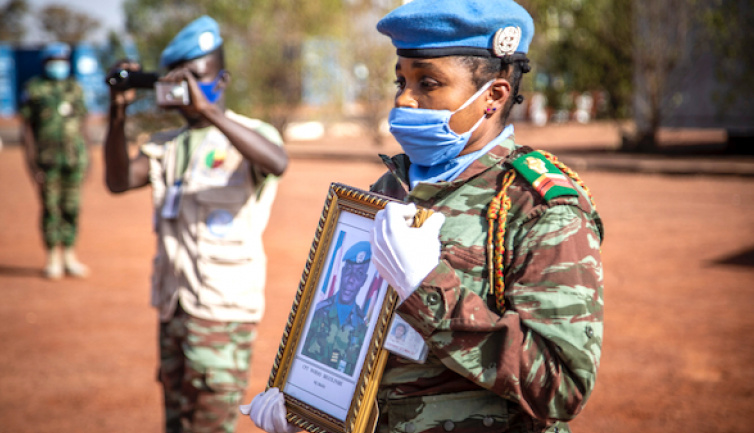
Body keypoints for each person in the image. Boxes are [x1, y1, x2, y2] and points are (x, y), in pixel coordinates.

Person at [242, 1, 604, 433]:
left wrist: (427, 288)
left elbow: (562, 386)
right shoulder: (390, 188)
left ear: (493, 95)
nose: (404, 99)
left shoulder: (539, 206)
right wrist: (311, 405)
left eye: (427, 83)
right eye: (401, 80)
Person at [103, 15, 288, 433]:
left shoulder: (251, 135)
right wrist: (118, 114)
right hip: (174, 310)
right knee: (177, 423)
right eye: (176, 79)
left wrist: (211, 111)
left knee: (210, 424)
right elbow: (116, 181)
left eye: (196, 77)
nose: (185, 90)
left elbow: (277, 162)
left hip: (223, 314)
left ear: (220, 80)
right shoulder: (165, 146)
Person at [20, 42, 91, 280]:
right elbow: (27, 131)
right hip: (47, 161)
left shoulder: (75, 88)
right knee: (50, 209)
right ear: (44, 63)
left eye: (61, 61)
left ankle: (69, 255)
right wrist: (32, 165)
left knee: (72, 208)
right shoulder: (35, 89)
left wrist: (88, 158)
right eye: (53, 61)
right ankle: (52, 257)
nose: (58, 65)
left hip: (74, 160)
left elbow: (84, 125)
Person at [302, 241, 371, 376]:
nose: (351, 279)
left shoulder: (362, 327)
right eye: (349, 270)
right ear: (342, 272)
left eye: (359, 273)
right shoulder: (317, 312)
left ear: (364, 280)